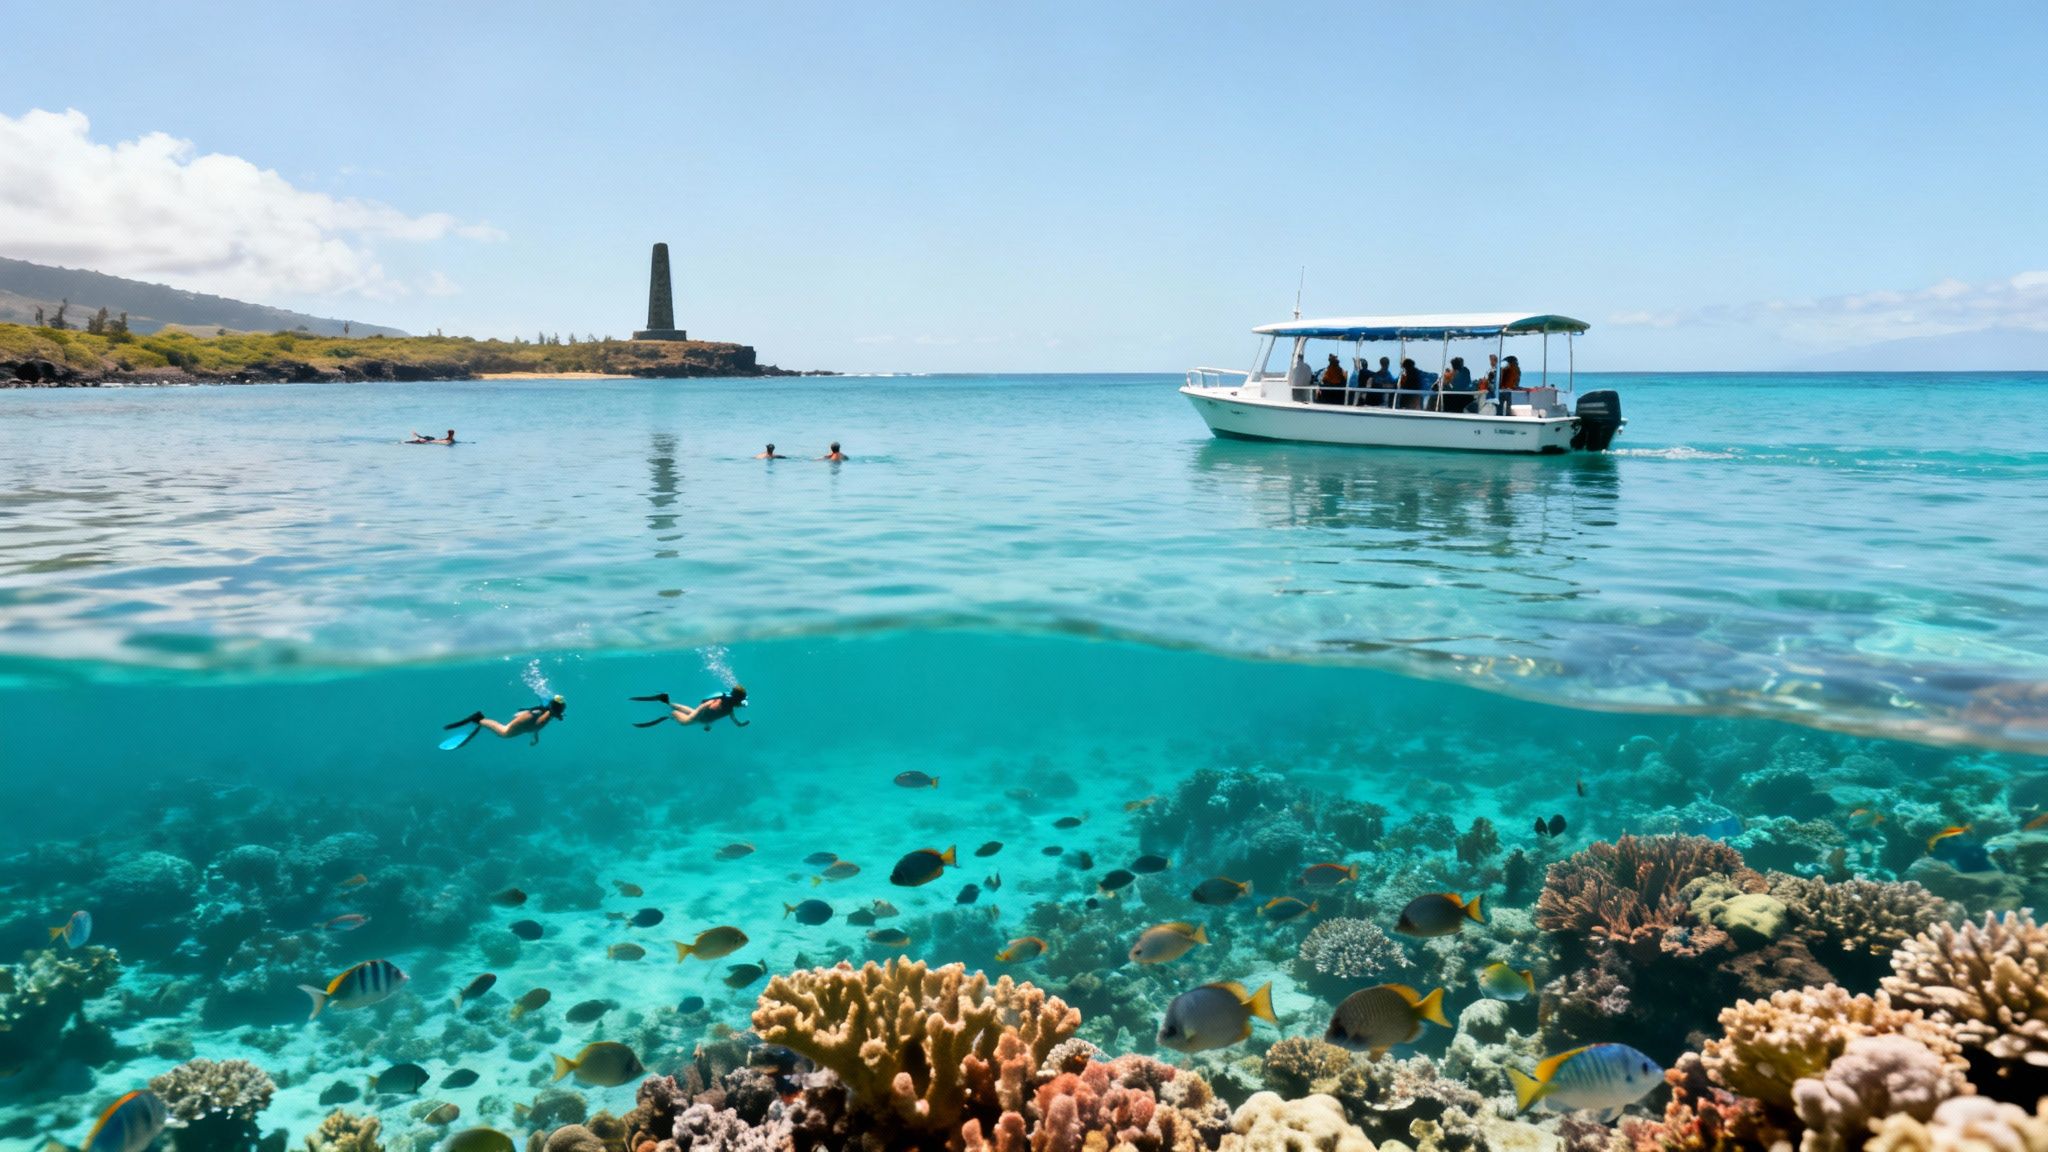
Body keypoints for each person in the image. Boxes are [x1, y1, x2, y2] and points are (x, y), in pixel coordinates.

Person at [441, 696, 565, 749]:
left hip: (529, 716)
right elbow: (536, 726)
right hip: (527, 718)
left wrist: (535, 738)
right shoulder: (546, 716)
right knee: (504, 733)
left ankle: (481, 720)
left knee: (505, 731)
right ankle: (480, 720)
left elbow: (536, 727)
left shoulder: (548, 713)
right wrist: (534, 738)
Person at [631, 685, 750, 731]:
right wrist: (694, 718)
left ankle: (665, 700)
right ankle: (670, 714)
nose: (742, 704)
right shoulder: (725, 705)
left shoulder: (729, 708)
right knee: (685, 722)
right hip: (701, 714)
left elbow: (733, 720)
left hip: (702, 716)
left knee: (689, 711)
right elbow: (705, 706)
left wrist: (740, 724)